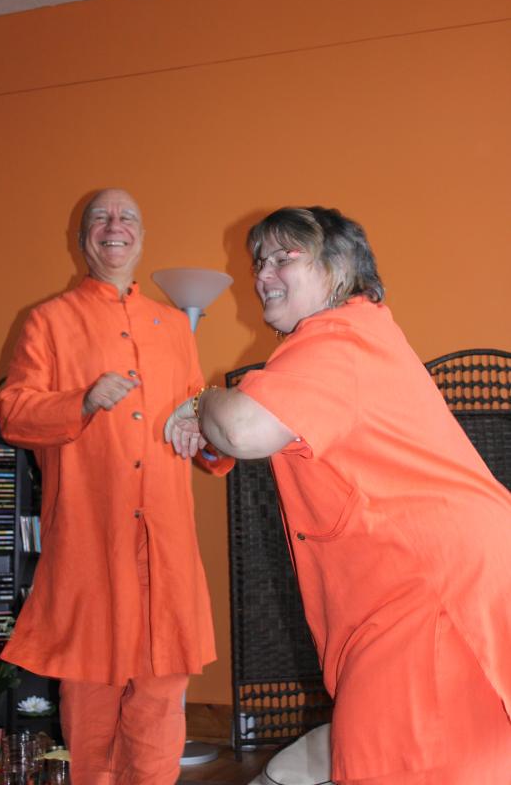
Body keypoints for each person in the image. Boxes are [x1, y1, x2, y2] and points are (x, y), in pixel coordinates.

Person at [164, 206, 511, 784]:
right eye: (259, 262)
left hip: (427, 596)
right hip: (440, 585)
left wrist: (202, 402)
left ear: (340, 268)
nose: (263, 274)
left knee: (402, 763)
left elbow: (245, 429)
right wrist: (210, 430)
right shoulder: (354, 338)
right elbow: (257, 439)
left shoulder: (337, 338)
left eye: (285, 257)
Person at [0, 188, 232, 785]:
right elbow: (12, 412)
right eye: (100, 216)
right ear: (83, 240)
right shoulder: (48, 321)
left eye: (127, 217)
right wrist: (80, 400)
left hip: (165, 545)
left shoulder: (174, 326)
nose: (114, 224)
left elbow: (198, 413)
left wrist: (207, 435)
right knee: (90, 701)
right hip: (89, 542)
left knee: (161, 697)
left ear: (141, 238)